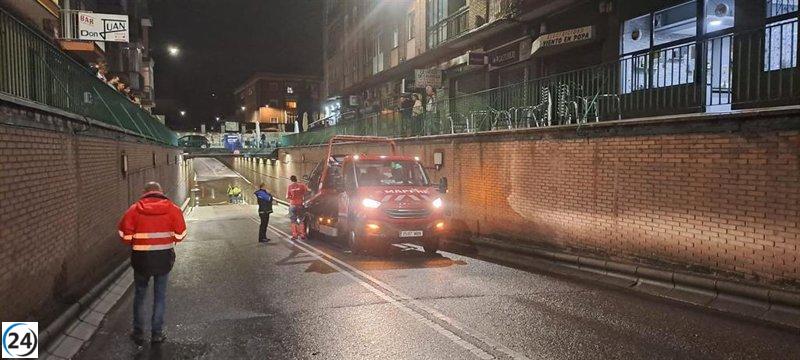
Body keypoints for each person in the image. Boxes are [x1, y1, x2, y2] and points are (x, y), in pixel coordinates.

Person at [118, 182, 186, 344]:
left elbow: (124, 235)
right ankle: (157, 333)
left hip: (141, 259)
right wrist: (169, 240)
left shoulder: (133, 210)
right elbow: (181, 234)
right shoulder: (173, 209)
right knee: (160, 296)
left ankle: (138, 332)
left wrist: (136, 242)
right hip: (163, 259)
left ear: (145, 192)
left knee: (140, 295)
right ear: (160, 192)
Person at [286, 175, 309, 240]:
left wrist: (292, 197)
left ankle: (295, 235)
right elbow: (307, 191)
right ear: (296, 179)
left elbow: (287, 196)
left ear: (291, 180)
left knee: (293, 221)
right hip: (300, 205)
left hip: (293, 205)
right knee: (301, 220)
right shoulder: (302, 185)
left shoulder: (290, 186)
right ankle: (302, 235)